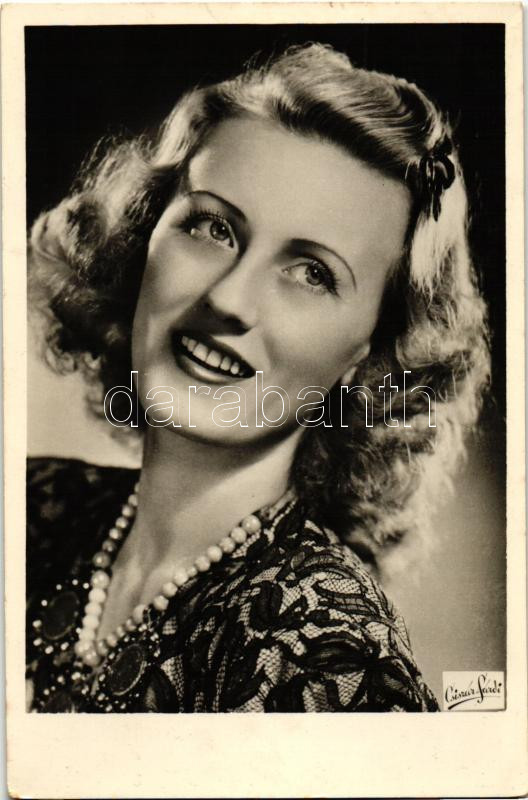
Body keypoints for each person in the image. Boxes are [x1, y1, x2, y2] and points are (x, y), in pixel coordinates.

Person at [26, 43, 489, 713]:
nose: (229, 299)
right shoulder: (34, 508)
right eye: (212, 227)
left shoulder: (328, 653)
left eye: (311, 273)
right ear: (144, 234)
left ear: (371, 352)